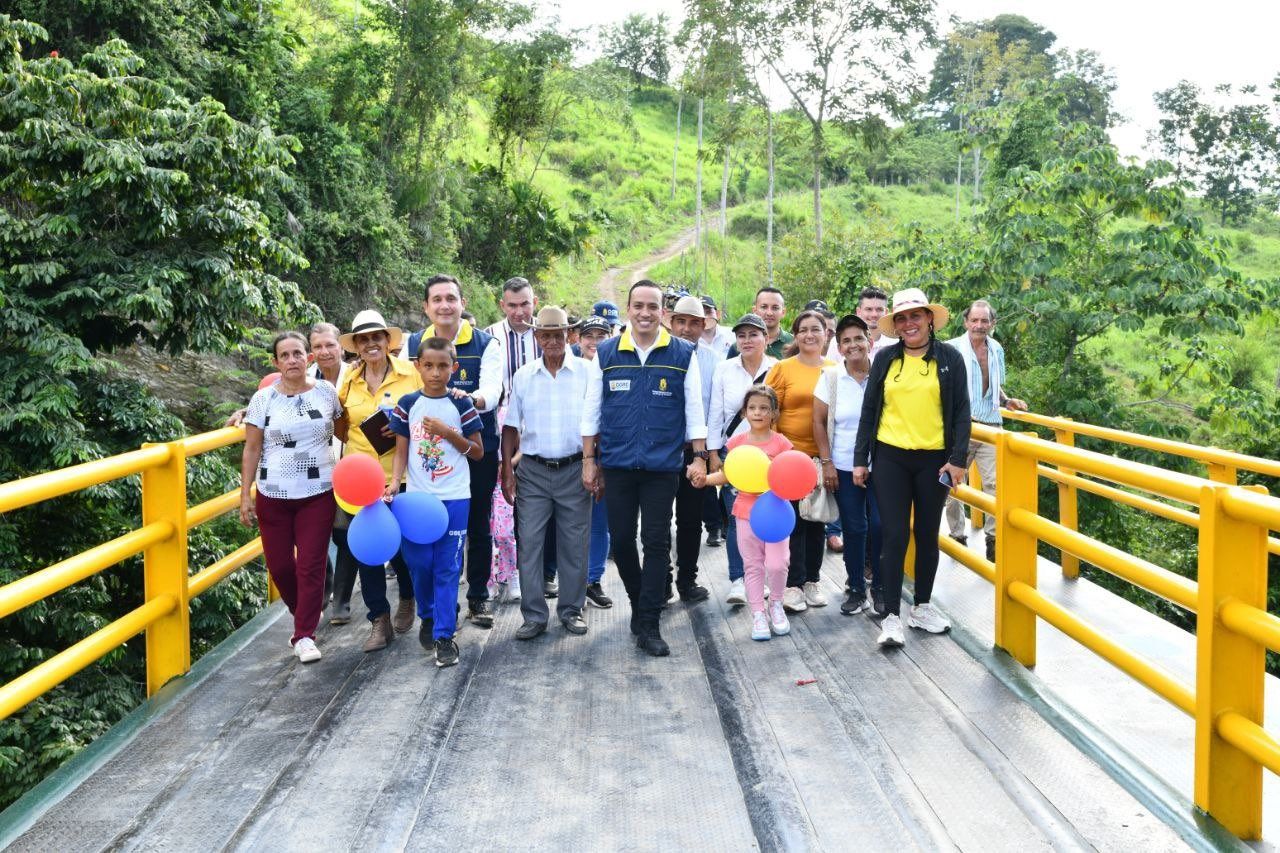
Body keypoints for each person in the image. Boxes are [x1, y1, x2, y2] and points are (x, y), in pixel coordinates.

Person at [581, 280, 708, 657]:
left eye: (653, 307)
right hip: (617, 465)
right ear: (629, 309)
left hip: (661, 467)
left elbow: (694, 410)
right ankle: (640, 603)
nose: (645, 313)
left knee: (655, 542)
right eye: (638, 306)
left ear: (662, 313)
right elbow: (591, 410)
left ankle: (649, 621)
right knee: (621, 543)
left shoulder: (683, 353)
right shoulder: (605, 353)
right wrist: (589, 461)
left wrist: (699, 455)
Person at [853, 288, 970, 648]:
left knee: (926, 534)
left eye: (915, 316)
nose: (908, 324)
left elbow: (962, 411)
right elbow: (870, 409)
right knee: (894, 534)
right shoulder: (886, 358)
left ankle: (921, 606)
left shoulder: (949, 358)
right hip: (890, 457)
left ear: (929, 319)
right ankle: (890, 616)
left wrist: (957, 459)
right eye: (901, 318)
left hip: (934, 459)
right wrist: (860, 459)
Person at [405, 275, 503, 629]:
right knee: (424, 525)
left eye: (451, 298)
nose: (445, 305)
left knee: (477, 521)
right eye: (437, 299)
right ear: (426, 307)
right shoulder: (413, 344)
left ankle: (477, 594)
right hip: (427, 454)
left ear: (462, 303)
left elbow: (493, 389)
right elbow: (401, 385)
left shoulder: (486, 343)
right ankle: (431, 603)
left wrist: (471, 399)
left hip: (475, 447)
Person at [239, 332, 343, 663]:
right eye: (284, 355)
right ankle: (304, 616)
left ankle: (304, 635)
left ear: (308, 357)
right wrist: (245, 494)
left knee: (311, 565)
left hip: (317, 492)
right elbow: (252, 447)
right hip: (273, 493)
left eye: (298, 353)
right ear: (276, 362)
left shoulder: (326, 393)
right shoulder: (263, 400)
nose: (292, 360)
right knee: (281, 566)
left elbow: (343, 430)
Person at [385, 337, 484, 668]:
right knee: (419, 563)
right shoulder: (407, 403)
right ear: (418, 366)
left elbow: (478, 451)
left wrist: (446, 432)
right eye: (429, 365)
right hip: (416, 500)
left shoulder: (462, 405)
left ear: (453, 368)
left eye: (443, 366)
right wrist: (394, 485)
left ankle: (445, 636)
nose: (436, 372)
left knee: (447, 567)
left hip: (455, 497)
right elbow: (401, 449)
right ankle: (427, 613)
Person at [502, 307, 594, 639]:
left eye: (559, 334)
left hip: (574, 468)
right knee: (529, 543)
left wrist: (593, 462)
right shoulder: (524, 375)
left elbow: (596, 423)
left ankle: (572, 609)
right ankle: (534, 616)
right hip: (533, 471)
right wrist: (506, 470)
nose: (553, 340)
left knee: (575, 542)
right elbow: (510, 426)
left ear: (569, 335)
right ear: (537, 337)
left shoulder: (587, 371)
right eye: (546, 335)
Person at [334, 310, 423, 651]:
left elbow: (428, 413)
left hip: (399, 474)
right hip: (359, 479)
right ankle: (378, 619)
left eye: (377, 337)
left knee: (399, 547)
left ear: (388, 341)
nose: (371, 343)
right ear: (355, 346)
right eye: (363, 339)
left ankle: (408, 595)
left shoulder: (410, 374)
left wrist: (402, 426)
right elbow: (339, 427)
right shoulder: (349, 381)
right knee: (366, 550)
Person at [699, 385, 792, 641]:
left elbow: (790, 474)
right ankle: (758, 614)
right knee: (752, 566)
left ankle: (776, 603)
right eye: (752, 408)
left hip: (775, 512)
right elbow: (728, 474)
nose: (758, 412)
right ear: (744, 413)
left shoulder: (782, 443)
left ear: (773, 413)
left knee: (777, 563)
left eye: (764, 408)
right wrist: (705, 480)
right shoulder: (736, 443)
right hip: (745, 512)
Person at [945, 299, 1029, 562]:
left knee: (996, 485)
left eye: (985, 321)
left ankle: (993, 540)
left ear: (993, 324)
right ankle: (957, 534)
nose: (979, 325)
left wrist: (1006, 401)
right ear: (966, 322)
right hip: (962, 427)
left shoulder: (996, 349)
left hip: (992, 426)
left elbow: (993, 383)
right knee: (951, 483)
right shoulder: (952, 349)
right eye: (975, 320)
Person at [813, 315, 882, 616]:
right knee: (855, 527)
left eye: (858, 338)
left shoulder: (882, 373)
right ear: (839, 347)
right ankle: (856, 586)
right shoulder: (830, 378)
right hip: (842, 463)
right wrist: (827, 462)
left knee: (881, 526)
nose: (853, 345)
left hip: (882, 466)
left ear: (869, 340)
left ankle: (880, 585)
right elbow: (818, 421)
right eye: (846, 341)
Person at [707, 313, 777, 606]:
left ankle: (764, 577)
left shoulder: (777, 369)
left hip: (770, 453)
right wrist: (712, 453)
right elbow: (716, 413)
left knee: (768, 517)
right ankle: (739, 578)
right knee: (738, 517)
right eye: (742, 335)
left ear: (766, 338)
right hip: (734, 453)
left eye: (753, 334)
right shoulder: (724, 369)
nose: (747, 340)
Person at [668, 295, 721, 603]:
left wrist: (707, 454)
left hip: (695, 453)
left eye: (694, 323)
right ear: (671, 323)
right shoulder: (659, 353)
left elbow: (715, 411)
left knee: (690, 520)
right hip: (661, 451)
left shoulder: (714, 360)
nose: (687, 329)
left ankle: (687, 580)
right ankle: (661, 580)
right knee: (658, 520)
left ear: (704, 326)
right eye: (681, 322)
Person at [576, 316, 614, 608]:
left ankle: (592, 579)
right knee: (570, 523)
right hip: (568, 454)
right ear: (578, 339)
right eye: (589, 335)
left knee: (600, 522)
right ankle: (570, 582)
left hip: (605, 452)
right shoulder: (570, 370)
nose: (595, 341)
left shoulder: (615, 366)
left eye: (602, 335)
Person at [727, 287, 791, 359]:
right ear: (755, 310)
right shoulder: (739, 347)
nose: (769, 313)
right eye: (764, 307)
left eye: (775, 308)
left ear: (783, 312)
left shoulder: (794, 343)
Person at [857, 286, 897, 361]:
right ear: (859, 312)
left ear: (886, 313)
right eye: (869, 309)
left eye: (879, 309)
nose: (874, 314)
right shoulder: (842, 343)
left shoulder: (895, 344)